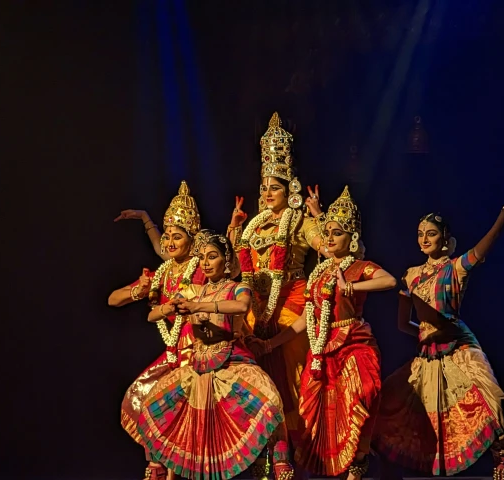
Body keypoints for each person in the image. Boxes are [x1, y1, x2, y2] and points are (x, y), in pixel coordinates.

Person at [372, 181, 504, 480]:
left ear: (445, 239)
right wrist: (424, 336)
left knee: (491, 401)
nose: (424, 239)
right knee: (390, 406)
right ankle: (387, 465)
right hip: (428, 355)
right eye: (420, 234)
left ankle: (500, 459)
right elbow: (401, 324)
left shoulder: (457, 268)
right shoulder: (410, 276)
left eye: (431, 234)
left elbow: (491, 238)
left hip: (460, 348)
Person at [252, 186, 396, 480]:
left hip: (353, 343)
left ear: (352, 238)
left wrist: (351, 287)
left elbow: (389, 281)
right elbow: (306, 318)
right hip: (322, 348)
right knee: (315, 412)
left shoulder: (359, 267)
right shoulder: (318, 274)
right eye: (327, 233)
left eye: (337, 233)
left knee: (364, 393)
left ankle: (359, 463)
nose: (329, 238)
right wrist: (270, 345)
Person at [136, 231, 294, 480]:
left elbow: (241, 306)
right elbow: (151, 316)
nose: (205, 263)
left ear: (227, 261)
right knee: (152, 407)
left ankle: (280, 463)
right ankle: (156, 469)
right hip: (197, 366)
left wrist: (200, 307)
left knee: (271, 404)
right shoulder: (193, 291)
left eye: (212, 257)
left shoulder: (237, 288)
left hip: (231, 363)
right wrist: (170, 307)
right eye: (201, 258)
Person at [226, 112, 328, 476]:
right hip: (254, 305)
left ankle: (290, 454)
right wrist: (234, 231)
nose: (267, 194)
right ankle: (256, 452)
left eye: (275, 188)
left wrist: (318, 217)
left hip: (292, 302)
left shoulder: (298, 221)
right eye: (264, 188)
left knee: (290, 372)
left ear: (291, 191)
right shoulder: (253, 226)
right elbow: (236, 271)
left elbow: (327, 248)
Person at [108, 181, 208, 480]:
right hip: (173, 355)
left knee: (178, 418)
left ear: (192, 242)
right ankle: (157, 466)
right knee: (140, 399)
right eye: (168, 237)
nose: (170, 242)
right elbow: (112, 299)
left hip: (200, 355)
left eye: (178, 237)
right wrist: (139, 292)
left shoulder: (201, 270)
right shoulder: (162, 274)